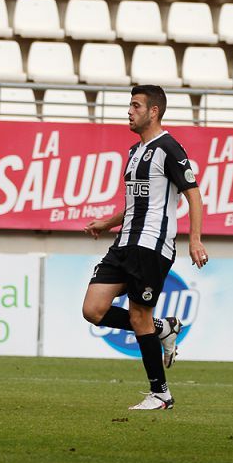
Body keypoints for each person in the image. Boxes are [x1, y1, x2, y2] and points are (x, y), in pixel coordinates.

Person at [81, 84, 208, 411]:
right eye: (130, 105)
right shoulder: (134, 152)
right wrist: (107, 223)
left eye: (136, 106)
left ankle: (161, 394)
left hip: (152, 246)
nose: (129, 111)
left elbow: (193, 194)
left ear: (153, 111)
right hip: (124, 243)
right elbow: (136, 202)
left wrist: (194, 239)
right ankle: (163, 329)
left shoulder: (169, 148)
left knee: (140, 316)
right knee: (93, 310)